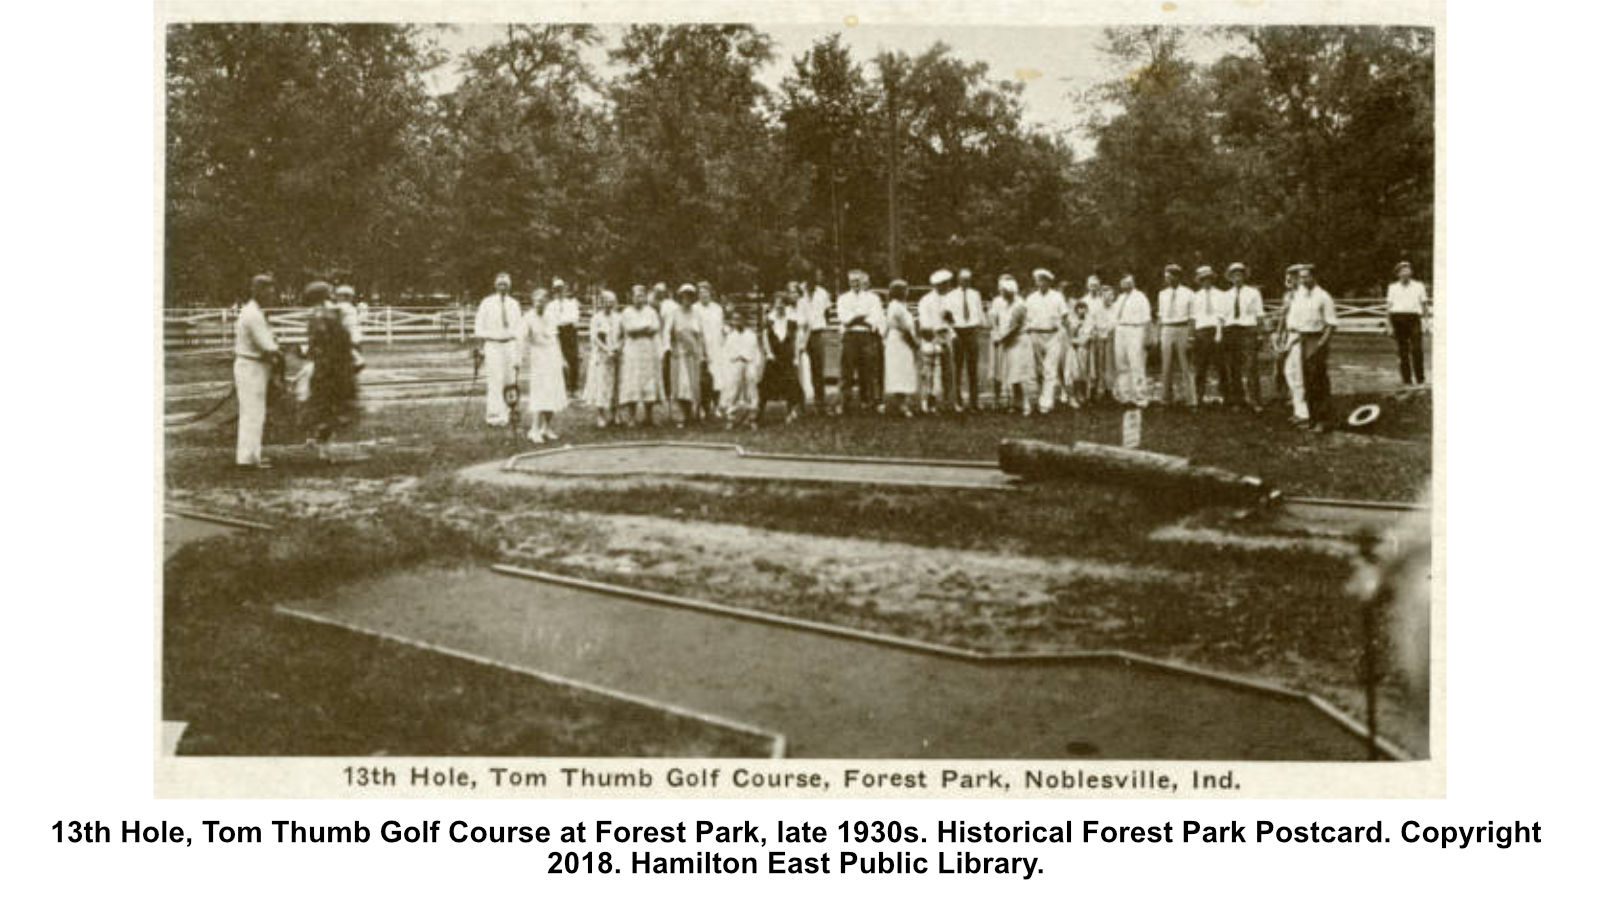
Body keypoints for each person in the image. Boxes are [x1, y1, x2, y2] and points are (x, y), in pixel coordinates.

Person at [303, 281, 361, 456]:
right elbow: (342, 339)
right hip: (333, 365)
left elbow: (314, 342)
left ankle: (318, 439)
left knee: (321, 402)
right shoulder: (330, 315)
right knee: (333, 403)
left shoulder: (315, 315)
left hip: (323, 364)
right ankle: (323, 444)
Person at [1279, 263, 1339, 430]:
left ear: (1314, 277)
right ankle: (1310, 418)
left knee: (1318, 380)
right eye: (1301, 276)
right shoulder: (1299, 295)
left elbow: (1331, 325)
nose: (1303, 279)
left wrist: (1320, 344)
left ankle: (1324, 420)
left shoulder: (1323, 296)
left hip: (1316, 339)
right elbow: (1291, 318)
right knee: (1304, 379)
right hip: (1300, 338)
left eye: (1307, 276)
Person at [233, 273, 282, 468]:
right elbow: (268, 346)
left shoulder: (253, 311)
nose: (271, 294)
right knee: (253, 412)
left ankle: (252, 455)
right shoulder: (252, 314)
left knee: (254, 412)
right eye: (267, 290)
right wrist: (278, 350)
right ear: (257, 291)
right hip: (252, 366)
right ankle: (247, 459)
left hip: (254, 365)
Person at [518, 289, 567, 443]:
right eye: (538, 300)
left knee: (553, 392)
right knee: (540, 393)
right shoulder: (527, 317)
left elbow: (556, 338)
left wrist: (562, 359)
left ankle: (546, 427)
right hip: (539, 357)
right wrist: (520, 357)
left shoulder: (551, 316)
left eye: (543, 300)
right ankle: (534, 429)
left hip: (553, 356)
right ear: (533, 301)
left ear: (547, 302)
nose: (541, 303)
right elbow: (521, 339)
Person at [473, 272, 521, 427]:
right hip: (493, 345)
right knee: (495, 380)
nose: (503, 287)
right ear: (495, 285)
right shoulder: (486, 303)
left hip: (510, 345)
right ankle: (494, 415)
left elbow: (519, 329)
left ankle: (509, 412)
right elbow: (478, 328)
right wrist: (491, 338)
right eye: (500, 283)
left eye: (505, 284)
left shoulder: (514, 304)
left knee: (510, 380)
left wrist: (518, 350)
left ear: (510, 286)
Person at [836, 269, 884, 413]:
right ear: (849, 282)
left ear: (863, 281)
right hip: (850, 336)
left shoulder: (873, 298)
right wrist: (860, 317)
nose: (855, 284)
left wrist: (857, 318)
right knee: (847, 371)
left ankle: (868, 401)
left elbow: (875, 317)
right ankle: (845, 402)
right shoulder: (843, 298)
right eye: (852, 281)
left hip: (866, 336)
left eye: (858, 280)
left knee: (869, 369)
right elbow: (844, 319)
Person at [1219, 262, 1265, 411]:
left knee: (1251, 366)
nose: (1237, 278)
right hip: (1231, 330)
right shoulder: (1225, 295)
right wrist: (1220, 334)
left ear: (1244, 276)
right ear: (1230, 278)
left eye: (1240, 275)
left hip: (1248, 330)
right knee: (1234, 366)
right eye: (1234, 275)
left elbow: (1259, 315)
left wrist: (1260, 334)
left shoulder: (1253, 293)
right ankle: (1238, 400)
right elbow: (1221, 317)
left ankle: (1255, 401)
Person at [618, 284, 664, 426]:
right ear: (632, 297)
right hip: (632, 350)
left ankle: (648, 416)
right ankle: (631, 416)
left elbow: (655, 327)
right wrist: (643, 328)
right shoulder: (626, 312)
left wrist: (641, 329)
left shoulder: (651, 311)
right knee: (632, 380)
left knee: (648, 381)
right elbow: (629, 330)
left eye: (642, 296)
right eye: (637, 296)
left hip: (648, 350)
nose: (639, 298)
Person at [1022, 268, 1066, 413]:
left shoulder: (1057, 297)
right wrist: (1029, 330)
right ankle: (1037, 397)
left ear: (1048, 282)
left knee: (1050, 369)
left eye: (1043, 280)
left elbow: (1064, 315)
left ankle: (1046, 403)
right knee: (1037, 369)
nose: (1040, 283)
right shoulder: (1031, 298)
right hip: (1035, 334)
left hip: (1052, 335)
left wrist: (1061, 329)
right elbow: (1026, 318)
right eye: (1038, 280)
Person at [758, 292, 804, 424]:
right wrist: (769, 353)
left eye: (782, 305)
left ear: (786, 306)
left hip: (787, 356)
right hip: (773, 356)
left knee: (791, 384)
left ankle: (790, 412)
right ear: (774, 306)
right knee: (766, 385)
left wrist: (796, 357)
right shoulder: (769, 320)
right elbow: (765, 339)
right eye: (777, 305)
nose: (780, 308)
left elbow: (796, 340)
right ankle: (759, 412)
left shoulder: (791, 321)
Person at [1156, 263, 1197, 408]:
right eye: (1166, 276)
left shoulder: (1189, 293)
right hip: (1167, 330)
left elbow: (1192, 317)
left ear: (1177, 277)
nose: (1167, 279)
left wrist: (1191, 336)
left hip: (1183, 328)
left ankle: (1191, 400)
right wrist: (1158, 334)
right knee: (1166, 366)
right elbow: (1160, 316)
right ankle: (1166, 399)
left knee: (1186, 365)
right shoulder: (1162, 294)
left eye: (1170, 276)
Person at [997, 275, 1036, 415]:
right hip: (1011, 343)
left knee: (1021, 374)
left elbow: (1014, 327)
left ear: (1010, 291)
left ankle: (1026, 404)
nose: (1001, 293)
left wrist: (1001, 339)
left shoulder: (1019, 305)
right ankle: (1016, 402)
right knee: (1013, 374)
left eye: (1003, 291)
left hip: (1020, 342)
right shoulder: (1006, 305)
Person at [667, 283, 705, 426]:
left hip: (693, 355)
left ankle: (692, 414)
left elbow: (700, 335)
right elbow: (668, 334)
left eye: (690, 296)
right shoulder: (674, 313)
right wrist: (672, 349)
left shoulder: (697, 314)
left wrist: (701, 353)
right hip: (679, 354)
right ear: (680, 297)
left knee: (692, 385)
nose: (687, 299)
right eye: (684, 296)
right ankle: (679, 417)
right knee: (680, 385)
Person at [881, 279, 920, 417]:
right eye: (905, 289)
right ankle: (901, 405)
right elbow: (904, 328)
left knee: (903, 371)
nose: (907, 291)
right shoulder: (896, 306)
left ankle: (901, 403)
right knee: (900, 372)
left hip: (899, 341)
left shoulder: (900, 306)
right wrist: (914, 343)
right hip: (899, 341)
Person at [583, 290, 622, 427]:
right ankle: (600, 415)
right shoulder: (596, 318)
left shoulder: (618, 317)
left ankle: (615, 412)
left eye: (611, 302)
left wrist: (617, 348)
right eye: (606, 301)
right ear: (601, 302)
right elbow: (594, 338)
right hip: (601, 356)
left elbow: (622, 335)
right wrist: (607, 350)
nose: (608, 304)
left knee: (615, 385)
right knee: (601, 384)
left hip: (615, 356)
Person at [1386, 260, 1429, 385]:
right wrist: (1389, 325)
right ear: (1398, 274)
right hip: (1398, 318)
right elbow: (1388, 308)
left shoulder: (1419, 286)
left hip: (1414, 318)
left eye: (1408, 270)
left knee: (1417, 349)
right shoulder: (1392, 287)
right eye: (1402, 271)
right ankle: (1407, 379)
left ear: (1411, 272)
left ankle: (1420, 378)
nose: (1406, 273)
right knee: (1402, 350)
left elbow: (1425, 305)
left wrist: (1427, 323)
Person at [948, 267, 985, 411]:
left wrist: (979, 328)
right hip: (958, 332)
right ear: (958, 280)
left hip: (971, 331)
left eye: (968, 280)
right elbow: (947, 316)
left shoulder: (975, 294)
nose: (966, 282)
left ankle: (974, 402)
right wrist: (953, 333)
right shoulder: (951, 295)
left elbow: (979, 312)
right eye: (963, 279)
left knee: (973, 368)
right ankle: (958, 401)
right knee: (957, 367)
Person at [795, 273, 833, 414]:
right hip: (801, 333)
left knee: (818, 369)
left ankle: (820, 403)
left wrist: (821, 325)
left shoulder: (822, 293)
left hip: (817, 334)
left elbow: (827, 311)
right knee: (799, 369)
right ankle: (799, 404)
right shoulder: (799, 293)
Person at [1112, 274, 1152, 408]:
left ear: (1133, 282)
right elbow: (1114, 317)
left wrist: (1147, 336)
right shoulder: (1120, 298)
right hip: (1120, 330)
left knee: (1137, 364)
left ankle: (1140, 397)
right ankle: (1126, 397)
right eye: (1123, 282)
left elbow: (1147, 319)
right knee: (1121, 364)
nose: (1126, 284)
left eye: (1128, 282)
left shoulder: (1140, 297)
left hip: (1135, 330)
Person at [1190, 266, 1226, 406]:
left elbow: (1222, 316)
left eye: (1209, 279)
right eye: (1203, 279)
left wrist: (1219, 333)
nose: (1206, 282)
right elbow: (1193, 318)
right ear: (1199, 281)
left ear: (1212, 279)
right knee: (1200, 366)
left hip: (1216, 331)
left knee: (1220, 365)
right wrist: (1192, 335)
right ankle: (1199, 396)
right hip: (1201, 332)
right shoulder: (1195, 296)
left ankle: (1224, 395)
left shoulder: (1221, 295)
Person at [722, 308, 762, 429]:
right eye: (734, 320)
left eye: (739, 319)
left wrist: (755, 367)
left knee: (751, 391)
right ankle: (731, 417)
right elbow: (726, 354)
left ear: (744, 320)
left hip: (749, 363)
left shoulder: (751, 335)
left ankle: (752, 417)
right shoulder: (730, 336)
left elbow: (756, 353)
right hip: (735, 364)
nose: (737, 322)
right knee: (733, 391)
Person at [692, 281, 726, 418]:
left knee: (718, 378)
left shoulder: (717, 308)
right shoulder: (694, 309)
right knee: (702, 379)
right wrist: (702, 350)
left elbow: (721, 328)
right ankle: (702, 408)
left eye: (706, 292)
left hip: (717, 347)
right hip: (701, 347)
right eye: (701, 293)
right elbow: (696, 331)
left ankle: (716, 406)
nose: (704, 295)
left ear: (711, 293)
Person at [988, 279, 1016, 411]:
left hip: (1011, 339)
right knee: (996, 369)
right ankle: (996, 399)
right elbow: (993, 317)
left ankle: (1012, 400)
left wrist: (1005, 336)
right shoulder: (997, 301)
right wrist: (996, 332)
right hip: (998, 338)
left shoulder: (1018, 301)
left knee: (1011, 369)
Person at [550, 278, 582, 395]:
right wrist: (560, 322)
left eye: (561, 289)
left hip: (570, 332)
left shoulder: (571, 304)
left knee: (573, 359)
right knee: (558, 358)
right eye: (556, 290)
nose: (559, 292)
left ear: (564, 290)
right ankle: (562, 387)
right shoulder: (551, 306)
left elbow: (574, 318)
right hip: (557, 332)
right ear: (553, 291)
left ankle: (574, 388)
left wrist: (561, 320)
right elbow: (551, 320)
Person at [1090, 283, 1118, 404]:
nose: (1108, 298)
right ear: (1101, 296)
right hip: (1099, 339)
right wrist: (1097, 332)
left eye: (1110, 295)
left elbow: (1117, 323)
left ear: (1113, 297)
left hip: (1111, 338)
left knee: (1110, 366)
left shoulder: (1116, 308)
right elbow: (1092, 323)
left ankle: (1109, 391)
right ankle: (1096, 391)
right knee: (1098, 365)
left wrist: (1111, 331)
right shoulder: (1096, 309)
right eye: (1105, 295)